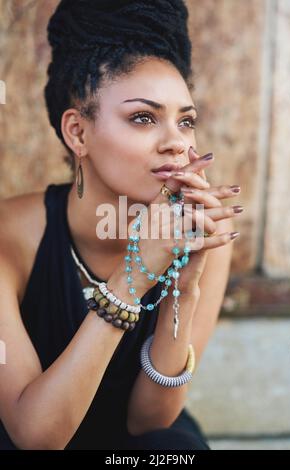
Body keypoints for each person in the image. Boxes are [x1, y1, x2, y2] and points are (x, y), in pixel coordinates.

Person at [0, 0, 243, 450]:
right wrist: (132, 280)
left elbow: (150, 421)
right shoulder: (9, 237)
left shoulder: (202, 237)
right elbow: (35, 436)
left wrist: (183, 288)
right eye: (143, 118)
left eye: (186, 121)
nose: (176, 143)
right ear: (78, 133)